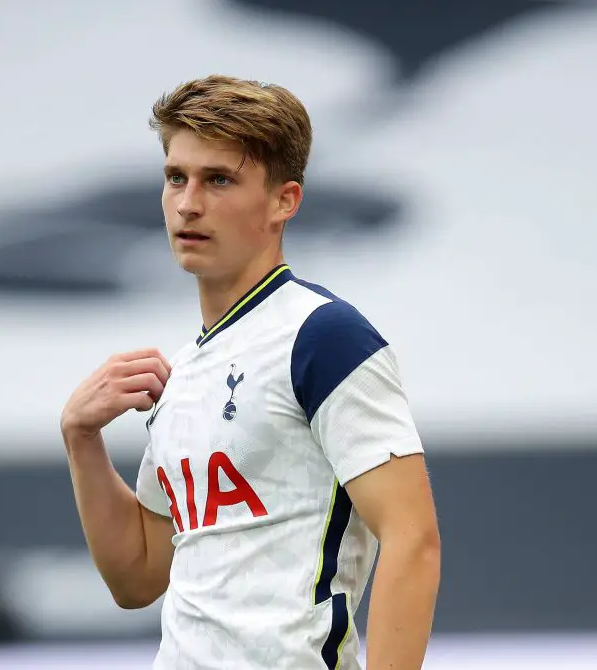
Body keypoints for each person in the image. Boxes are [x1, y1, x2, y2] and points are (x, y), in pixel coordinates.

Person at [60, 74, 441, 669]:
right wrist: (81, 439)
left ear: (284, 200)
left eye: (219, 179)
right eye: (175, 178)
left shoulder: (325, 336)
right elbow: (137, 578)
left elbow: (413, 539)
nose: (187, 203)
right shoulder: (184, 370)